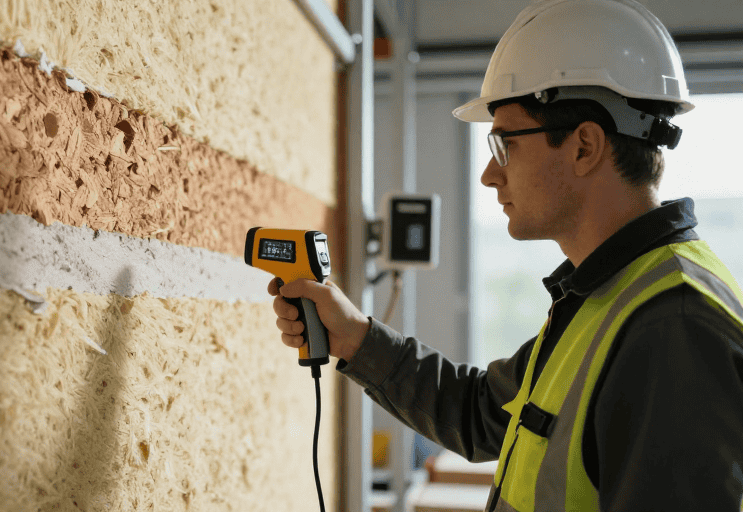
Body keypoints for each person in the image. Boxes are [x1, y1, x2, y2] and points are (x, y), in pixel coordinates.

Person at [268, 0, 743, 510]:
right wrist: (357, 339)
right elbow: (482, 414)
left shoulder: (672, 328)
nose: (489, 175)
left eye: (504, 146)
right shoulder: (605, 296)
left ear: (584, 146)